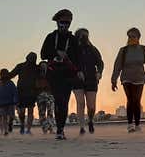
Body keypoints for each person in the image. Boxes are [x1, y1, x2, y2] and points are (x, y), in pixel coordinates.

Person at [111, 27, 145, 133]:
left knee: (137, 100)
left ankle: (138, 124)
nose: (131, 38)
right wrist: (113, 80)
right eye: (129, 36)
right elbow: (117, 66)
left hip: (139, 78)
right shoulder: (123, 50)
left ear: (138, 37)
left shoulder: (143, 49)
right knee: (130, 99)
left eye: (133, 36)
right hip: (126, 78)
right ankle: (130, 125)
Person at [40, 8, 80, 140]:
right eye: (62, 22)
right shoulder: (51, 37)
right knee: (58, 101)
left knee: (65, 101)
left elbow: (78, 58)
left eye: (67, 23)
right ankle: (59, 129)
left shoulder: (73, 39)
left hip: (68, 75)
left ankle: (61, 128)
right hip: (54, 75)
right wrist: (57, 53)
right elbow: (43, 54)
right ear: (57, 22)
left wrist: (79, 71)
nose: (64, 25)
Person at [72, 28, 104, 135]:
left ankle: (90, 120)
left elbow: (100, 63)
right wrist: (77, 71)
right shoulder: (74, 50)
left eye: (86, 35)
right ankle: (81, 127)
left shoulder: (93, 49)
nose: (84, 37)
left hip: (91, 79)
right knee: (80, 103)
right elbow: (70, 63)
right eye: (82, 35)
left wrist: (99, 72)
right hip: (77, 80)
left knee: (91, 106)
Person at [6, 52, 40, 134]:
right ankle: (27, 129)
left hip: (22, 91)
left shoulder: (21, 66)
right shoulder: (36, 67)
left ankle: (23, 126)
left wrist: (4, 76)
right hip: (31, 91)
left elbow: (11, 74)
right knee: (30, 110)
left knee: (23, 110)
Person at [0, 69, 18, 136]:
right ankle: (6, 131)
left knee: (11, 116)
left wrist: (16, 100)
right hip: (1, 103)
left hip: (11, 102)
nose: (3, 75)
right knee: (4, 117)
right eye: (2, 74)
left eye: (4, 73)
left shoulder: (11, 83)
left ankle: (10, 123)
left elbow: (15, 92)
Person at [36, 62, 56, 134]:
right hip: (41, 95)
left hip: (48, 95)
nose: (43, 67)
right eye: (42, 66)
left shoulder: (50, 74)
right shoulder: (37, 75)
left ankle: (49, 128)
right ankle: (45, 128)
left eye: (45, 66)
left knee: (50, 112)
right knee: (42, 113)